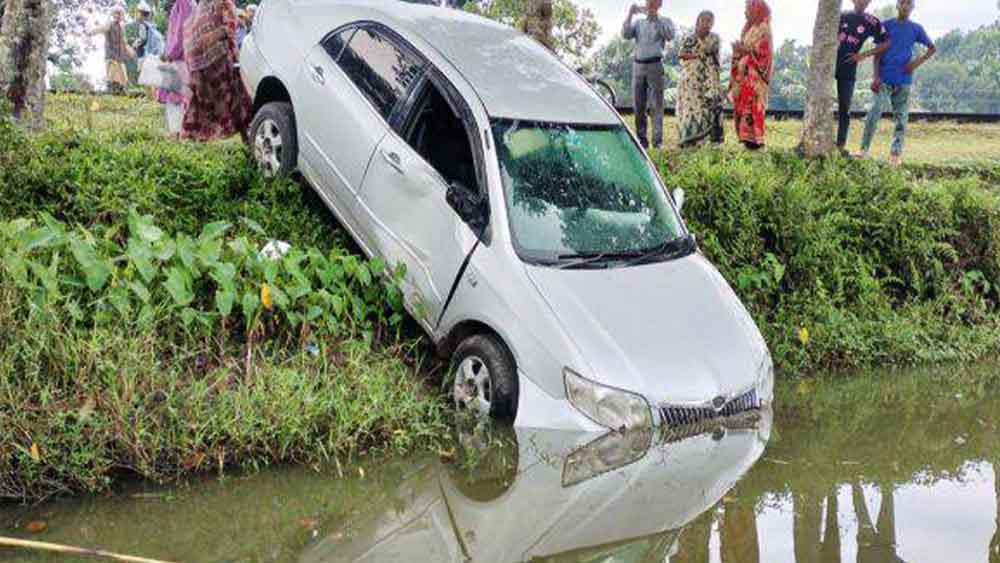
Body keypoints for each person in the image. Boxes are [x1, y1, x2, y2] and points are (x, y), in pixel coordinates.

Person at [856, 0, 935, 166]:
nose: (905, 6)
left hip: (904, 81)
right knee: (874, 111)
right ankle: (863, 150)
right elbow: (877, 53)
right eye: (902, 2)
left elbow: (932, 48)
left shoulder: (916, 29)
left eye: (909, 4)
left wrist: (915, 63)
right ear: (897, 5)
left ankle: (895, 155)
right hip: (883, 78)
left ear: (912, 8)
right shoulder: (885, 25)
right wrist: (875, 76)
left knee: (901, 119)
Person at [181, 0, 252, 141]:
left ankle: (248, 139)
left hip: (218, 61)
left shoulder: (220, 4)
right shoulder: (203, 6)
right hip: (206, 64)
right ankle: (193, 141)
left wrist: (212, 37)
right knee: (207, 102)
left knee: (234, 100)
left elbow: (230, 26)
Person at [835, 0, 889, 152]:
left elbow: (886, 43)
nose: (862, 2)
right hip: (829, 64)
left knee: (844, 107)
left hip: (848, 66)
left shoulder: (872, 21)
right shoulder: (842, 15)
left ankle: (840, 145)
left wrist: (863, 55)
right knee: (821, 101)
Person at [622, 0, 675, 150]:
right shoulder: (638, 23)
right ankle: (641, 140)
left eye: (653, 3)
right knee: (638, 105)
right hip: (638, 65)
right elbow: (625, 34)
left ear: (659, 5)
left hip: (655, 65)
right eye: (648, 2)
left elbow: (670, 35)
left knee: (656, 105)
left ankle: (657, 142)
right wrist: (630, 14)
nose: (650, 5)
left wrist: (656, 19)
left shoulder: (665, 21)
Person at [729, 0, 773, 150]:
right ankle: (746, 140)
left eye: (748, 8)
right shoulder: (747, 28)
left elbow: (763, 53)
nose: (745, 12)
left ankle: (755, 141)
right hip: (744, 77)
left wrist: (744, 50)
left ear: (757, 10)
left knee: (752, 107)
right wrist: (738, 50)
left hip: (755, 79)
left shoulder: (763, 29)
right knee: (743, 107)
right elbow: (744, 49)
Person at [677, 11, 723, 147]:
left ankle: (711, 141)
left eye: (710, 21)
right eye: (704, 20)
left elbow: (709, 50)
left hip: (709, 80)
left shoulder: (714, 38)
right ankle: (690, 139)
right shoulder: (689, 39)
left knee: (710, 107)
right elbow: (681, 54)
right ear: (698, 21)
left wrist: (694, 54)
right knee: (690, 108)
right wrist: (695, 55)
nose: (706, 23)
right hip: (691, 80)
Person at [159, 0, 195, 135]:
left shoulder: (183, 3)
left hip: (179, 57)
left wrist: (171, 53)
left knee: (175, 96)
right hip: (185, 57)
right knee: (183, 95)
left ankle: (176, 131)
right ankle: (182, 131)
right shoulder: (189, 3)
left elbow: (181, 32)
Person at [90, 6, 134, 95]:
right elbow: (103, 28)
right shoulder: (110, 24)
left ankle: (121, 91)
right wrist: (92, 31)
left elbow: (124, 41)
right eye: (116, 13)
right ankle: (110, 90)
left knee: (123, 76)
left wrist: (130, 50)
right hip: (111, 54)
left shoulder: (121, 27)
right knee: (112, 73)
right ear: (113, 15)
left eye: (120, 14)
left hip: (120, 56)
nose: (118, 16)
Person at [134, 1, 165, 100]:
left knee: (144, 77)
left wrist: (135, 44)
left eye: (137, 13)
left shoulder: (143, 25)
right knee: (153, 78)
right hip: (153, 55)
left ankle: (150, 98)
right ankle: (155, 97)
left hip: (144, 54)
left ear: (140, 14)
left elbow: (142, 39)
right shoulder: (152, 26)